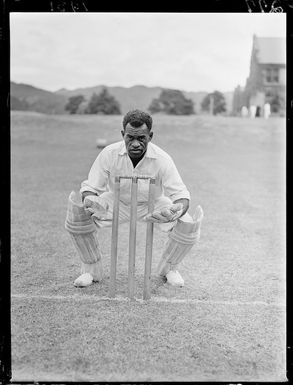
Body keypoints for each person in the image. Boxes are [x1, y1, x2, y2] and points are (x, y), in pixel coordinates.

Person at [65, 110, 203, 289]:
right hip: (117, 202)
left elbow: (181, 195)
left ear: (150, 136)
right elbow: (90, 187)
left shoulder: (162, 159)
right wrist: (91, 201)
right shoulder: (109, 153)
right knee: (78, 217)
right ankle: (91, 271)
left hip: (152, 205)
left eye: (142, 138)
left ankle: (170, 269)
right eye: (130, 137)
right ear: (123, 134)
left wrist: (176, 210)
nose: (136, 144)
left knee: (188, 223)